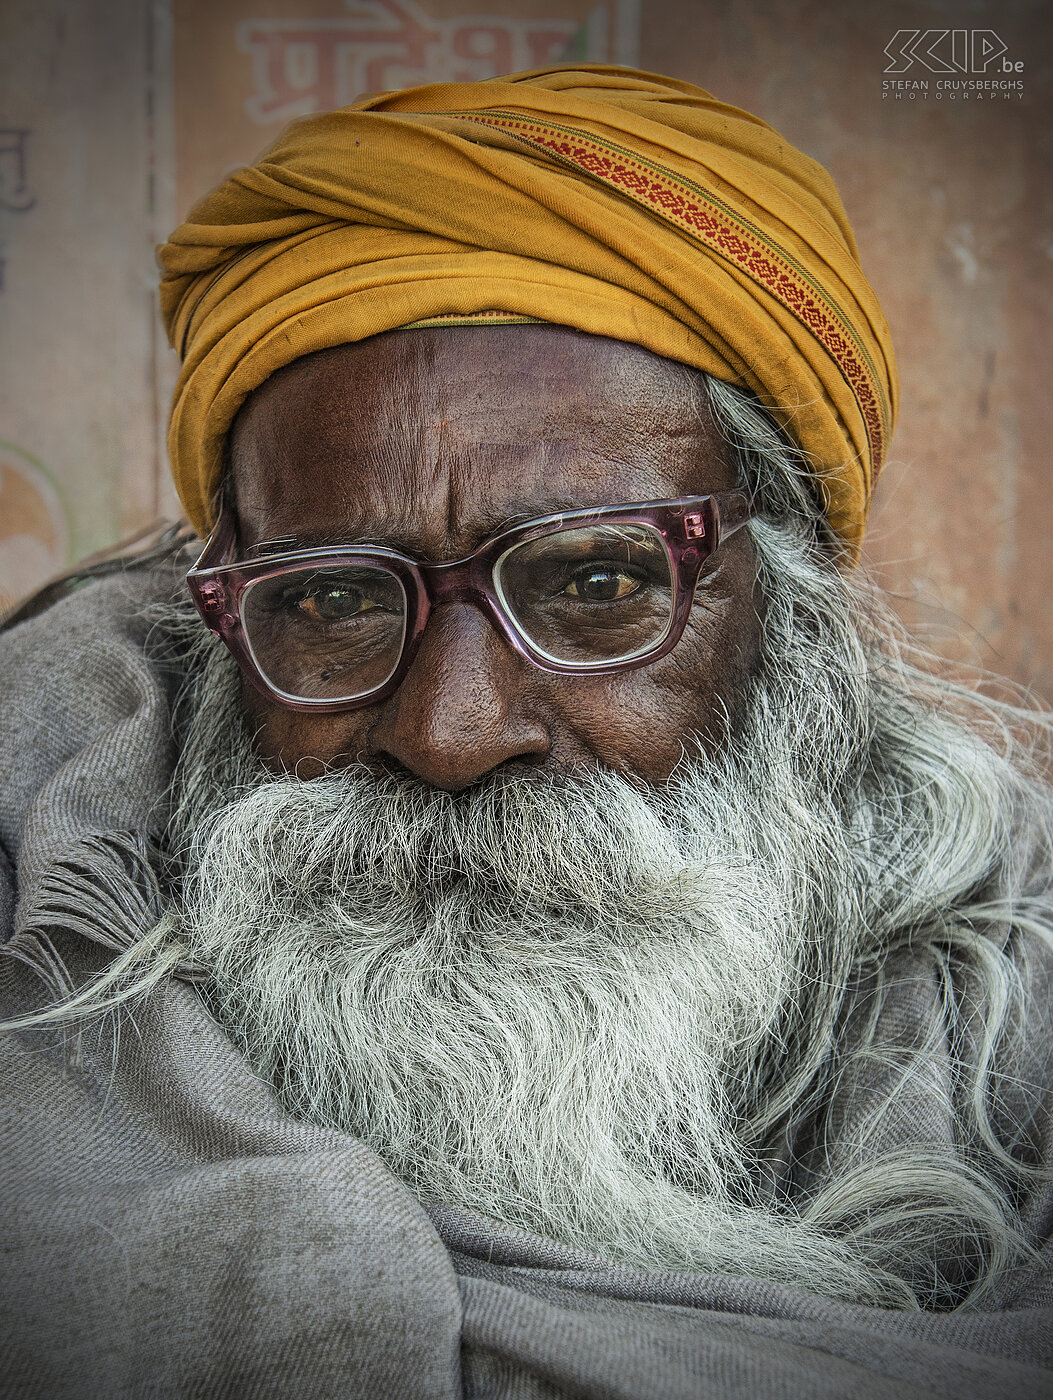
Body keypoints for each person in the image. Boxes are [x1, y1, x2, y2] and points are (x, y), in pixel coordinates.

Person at [1, 66, 1051, 1400]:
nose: (447, 732)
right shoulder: (39, 900)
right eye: (329, 599)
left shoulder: (1016, 1028)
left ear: (793, 621)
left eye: (596, 585)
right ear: (219, 618)